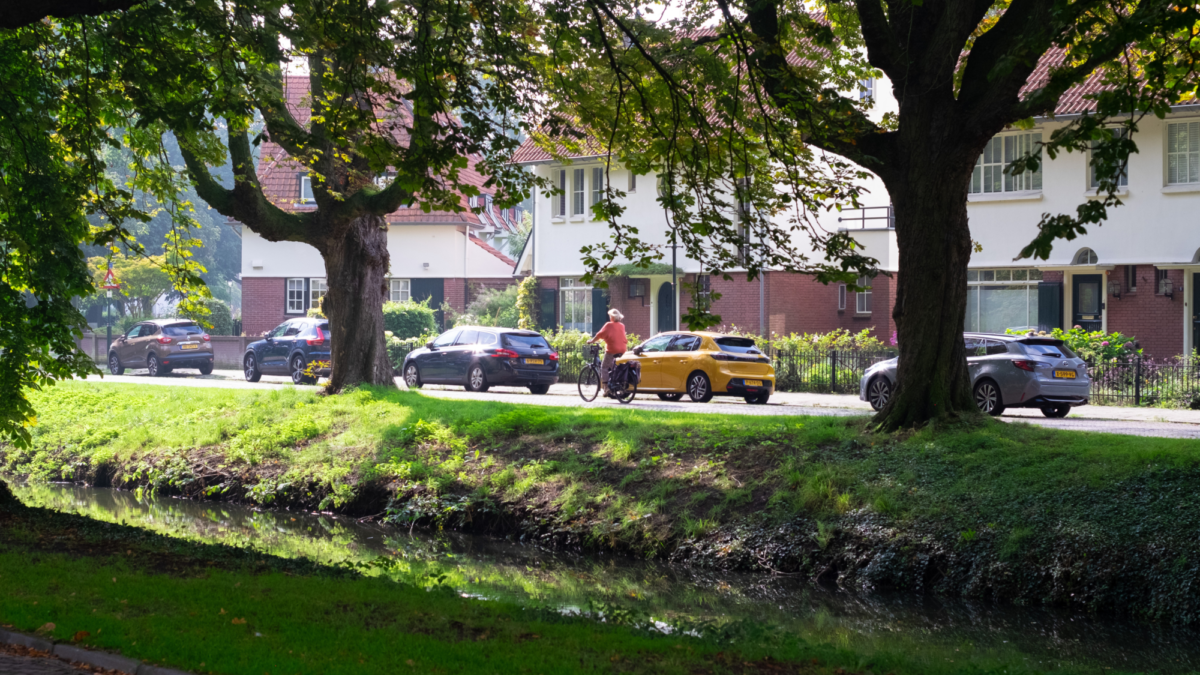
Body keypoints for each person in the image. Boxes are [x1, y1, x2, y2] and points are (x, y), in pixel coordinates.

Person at [588, 308, 627, 386]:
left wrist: (592, 341)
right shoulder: (622, 326)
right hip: (622, 349)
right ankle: (615, 384)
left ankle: (606, 388)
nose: (609, 317)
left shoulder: (609, 325)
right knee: (613, 367)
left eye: (610, 316)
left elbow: (599, 334)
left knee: (604, 367)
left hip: (612, 349)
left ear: (612, 317)